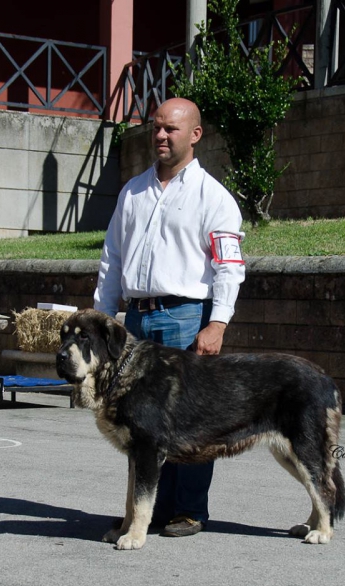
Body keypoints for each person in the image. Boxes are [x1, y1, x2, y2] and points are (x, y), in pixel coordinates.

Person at [94, 97, 245, 537]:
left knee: (191, 419)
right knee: (140, 423)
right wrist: (103, 320)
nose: (160, 135)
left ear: (195, 134)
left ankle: (189, 510)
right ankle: (148, 511)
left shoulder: (213, 198)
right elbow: (112, 260)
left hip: (187, 316)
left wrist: (216, 324)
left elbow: (228, 267)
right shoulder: (132, 191)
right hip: (136, 322)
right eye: (156, 127)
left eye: (171, 129)